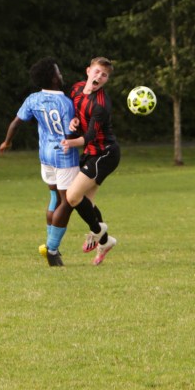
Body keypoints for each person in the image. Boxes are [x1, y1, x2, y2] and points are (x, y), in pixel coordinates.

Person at [0, 58, 80, 267]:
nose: (61, 75)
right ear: (53, 79)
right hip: (64, 156)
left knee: (54, 197)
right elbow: (69, 133)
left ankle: (51, 245)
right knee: (67, 203)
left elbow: (16, 123)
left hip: (45, 156)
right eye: (58, 72)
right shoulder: (66, 103)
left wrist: (7, 142)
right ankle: (51, 249)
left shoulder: (33, 99)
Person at [44, 57, 120, 267]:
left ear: (106, 80)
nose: (99, 77)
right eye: (97, 72)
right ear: (88, 71)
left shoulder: (101, 104)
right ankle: (105, 242)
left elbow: (89, 137)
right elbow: (75, 116)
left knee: (72, 196)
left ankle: (98, 230)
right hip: (90, 153)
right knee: (86, 203)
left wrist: (70, 141)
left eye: (104, 75)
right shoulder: (76, 89)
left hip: (105, 154)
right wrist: (74, 121)